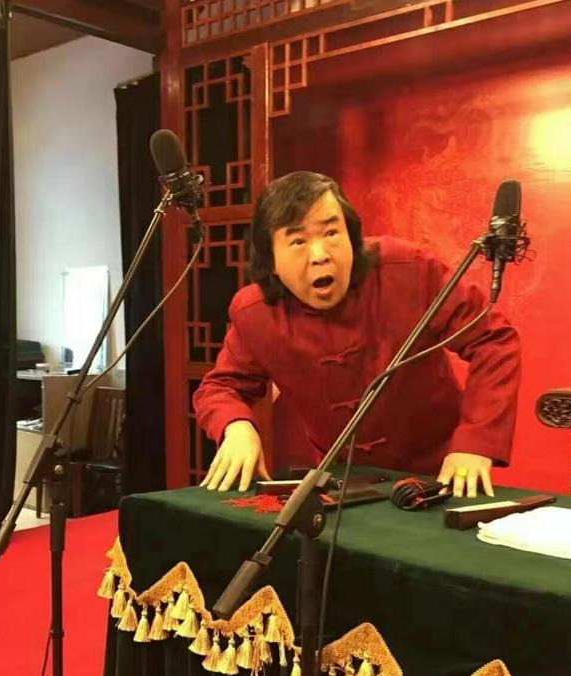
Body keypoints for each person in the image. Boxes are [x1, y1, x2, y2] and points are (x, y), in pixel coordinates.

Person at [193, 171, 521, 498]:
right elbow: (221, 387)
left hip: (442, 475)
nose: (320, 255)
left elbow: (493, 340)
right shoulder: (256, 312)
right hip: (344, 484)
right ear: (272, 261)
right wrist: (237, 427)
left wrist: (475, 443)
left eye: (331, 232)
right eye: (298, 241)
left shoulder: (410, 269)